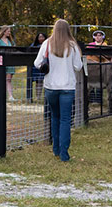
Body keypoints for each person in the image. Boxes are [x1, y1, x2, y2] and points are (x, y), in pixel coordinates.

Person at [34, 19, 86, 162]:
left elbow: (37, 63)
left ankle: (56, 149)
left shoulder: (47, 43)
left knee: (54, 117)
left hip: (51, 86)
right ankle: (64, 153)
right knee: (65, 120)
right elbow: (78, 66)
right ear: (68, 29)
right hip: (67, 87)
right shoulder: (72, 46)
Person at [0, 25, 17, 101]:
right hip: (0, 62)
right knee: (0, 79)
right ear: (4, 31)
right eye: (8, 31)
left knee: (8, 80)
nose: (9, 33)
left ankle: (10, 96)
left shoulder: (10, 41)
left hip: (9, 62)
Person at [27, 32, 47, 100]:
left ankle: (45, 97)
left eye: (42, 37)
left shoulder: (47, 45)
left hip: (45, 66)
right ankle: (38, 97)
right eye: (39, 37)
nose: (41, 38)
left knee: (44, 81)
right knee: (38, 81)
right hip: (36, 67)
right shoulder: (33, 45)